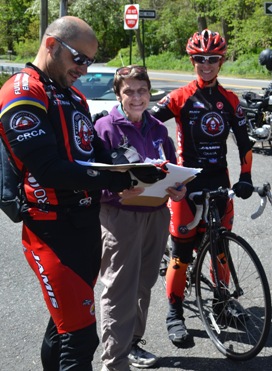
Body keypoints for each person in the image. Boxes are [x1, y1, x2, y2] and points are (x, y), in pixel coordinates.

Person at [0, 16, 165, 370]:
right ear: (51, 45)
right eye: (79, 58)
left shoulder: (73, 95)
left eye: (90, 61)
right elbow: (47, 169)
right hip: (51, 231)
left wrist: (133, 169)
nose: (84, 69)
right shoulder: (23, 89)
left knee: (61, 330)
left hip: (87, 227)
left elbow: (94, 152)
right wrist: (117, 180)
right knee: (80, 337)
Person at [150, 29, 254, 346]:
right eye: (199, 59)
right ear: (192, 60)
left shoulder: (230, 100)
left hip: (219, 181)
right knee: (181, 251)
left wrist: (246, 176)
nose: (205, 64)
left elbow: (245, 142)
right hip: (186, 184)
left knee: (220, 247)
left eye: (212, 59)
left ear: (221, 61)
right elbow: (148, 122)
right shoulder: (181, 97)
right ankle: (174, 314)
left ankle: (221, 304)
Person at [94, 66, 186, 370]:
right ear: (119, 94)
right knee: (119, 289)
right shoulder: (105, 128)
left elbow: (171, 168)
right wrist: (116, 192)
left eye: (142, 90)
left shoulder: (158, 128)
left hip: (157, 214)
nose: (137, 97)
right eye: (129, 91)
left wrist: (178, 190)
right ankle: (114, 361)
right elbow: (93, 178)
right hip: (121, 216)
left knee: (144, 284)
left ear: (149, 93)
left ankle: (132, 344)